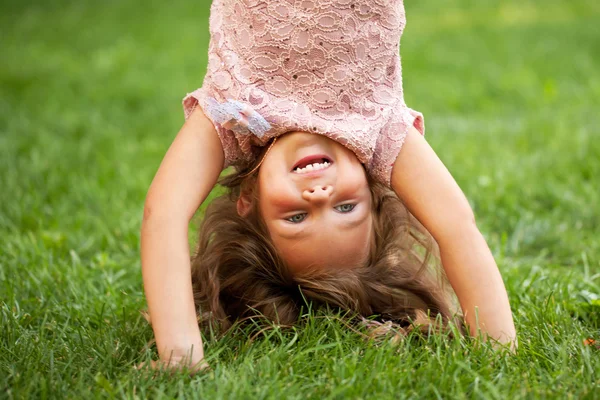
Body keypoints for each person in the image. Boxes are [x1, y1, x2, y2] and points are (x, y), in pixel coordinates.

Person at [140, 0, 516, 372]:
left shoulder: (230, 116)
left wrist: (180, 354)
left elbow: (164, 214)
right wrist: (499, 350)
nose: (320, 195)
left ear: (249, 200)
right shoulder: (378, 132)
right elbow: (456, 226)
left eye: (297, 217)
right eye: (346, 208)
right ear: (372, 190)